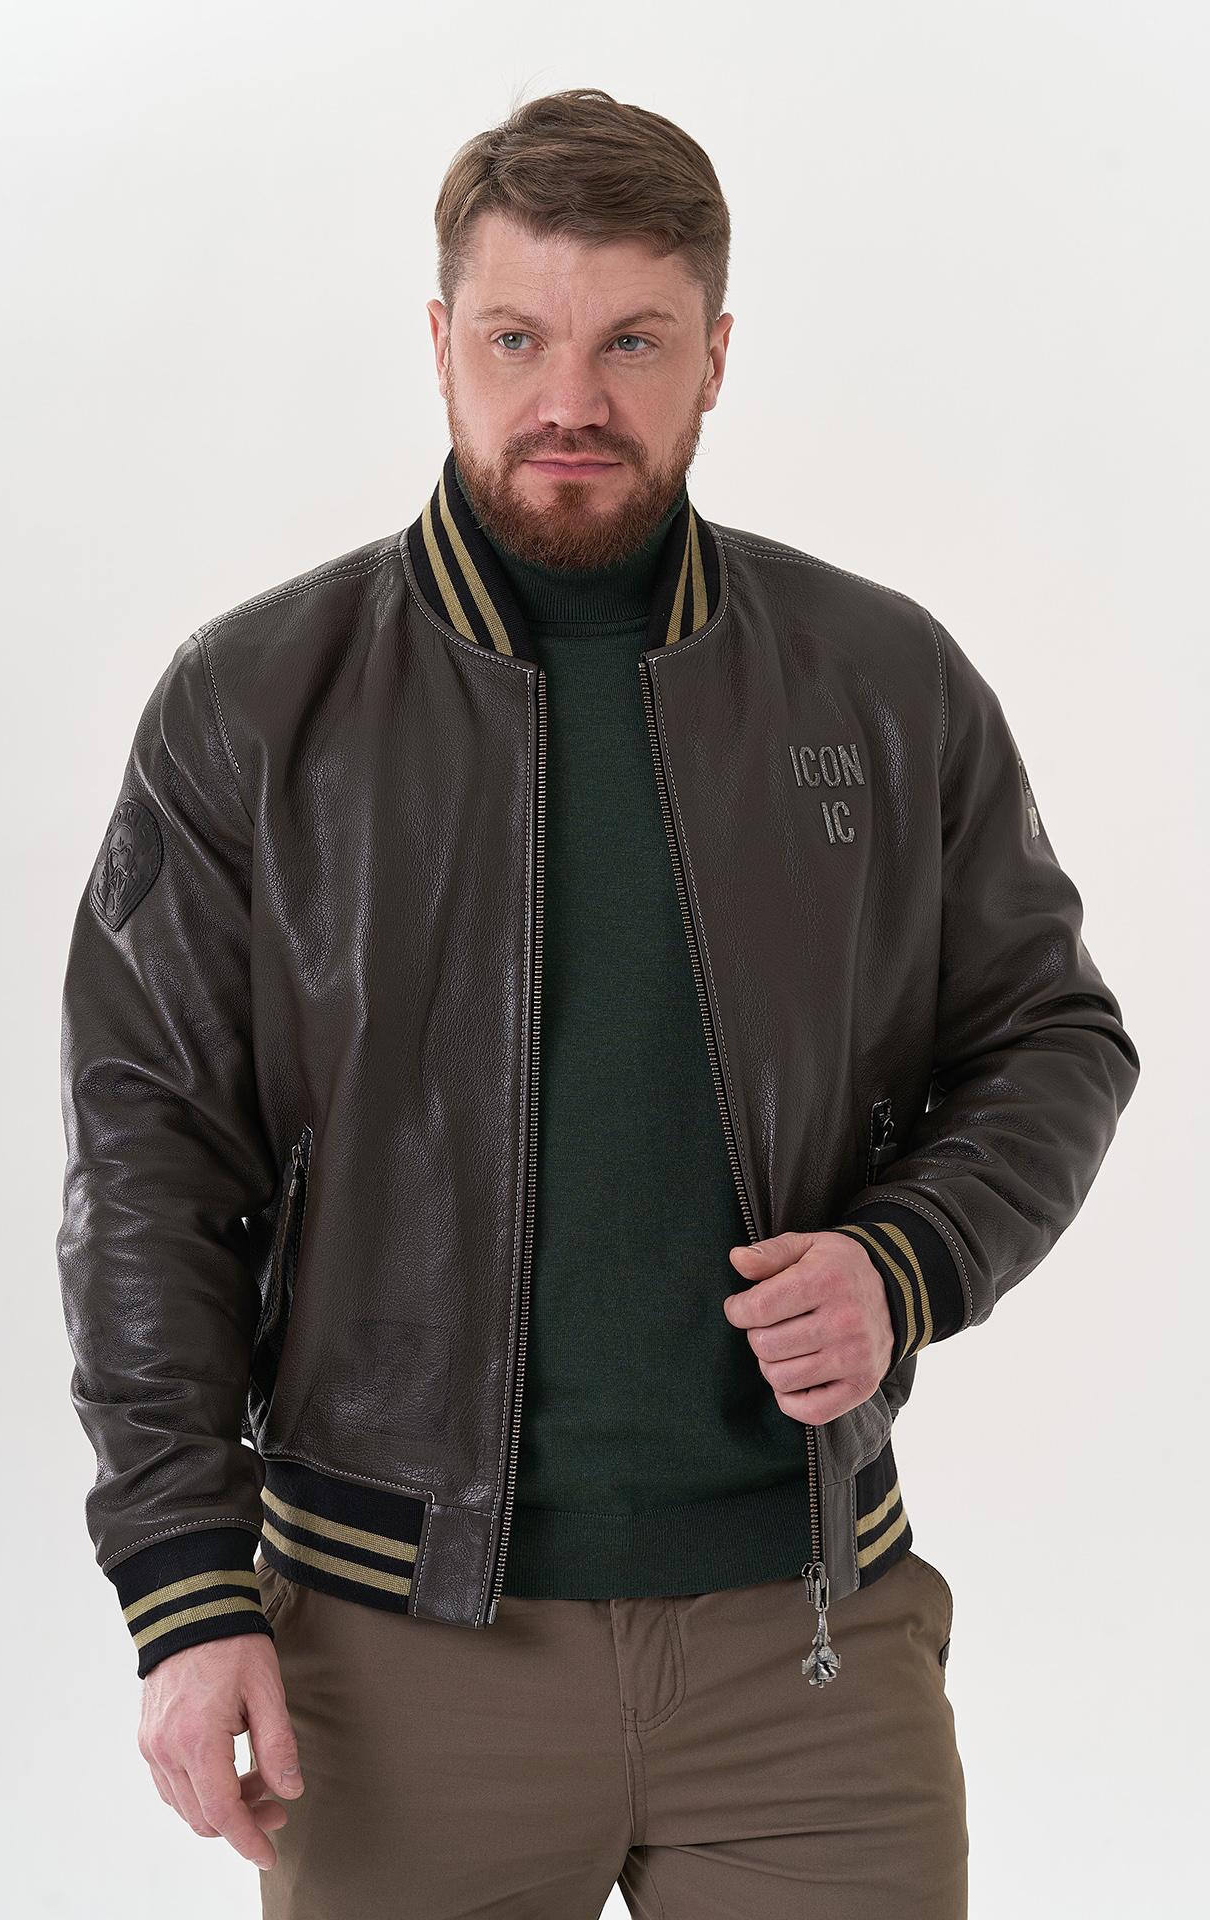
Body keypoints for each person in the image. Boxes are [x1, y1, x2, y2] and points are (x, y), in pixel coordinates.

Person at [58, 89, 1138, 1920]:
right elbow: (149, 1159)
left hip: (812, 1649)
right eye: (517, 339)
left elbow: (1053, 1034)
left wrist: (907, 1262)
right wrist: (183, 1588)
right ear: (440, 345)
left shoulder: (883, 680)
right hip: (393, 1657)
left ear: (717, 355)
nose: (570, 396)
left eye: (632, 340)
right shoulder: (252, 705)